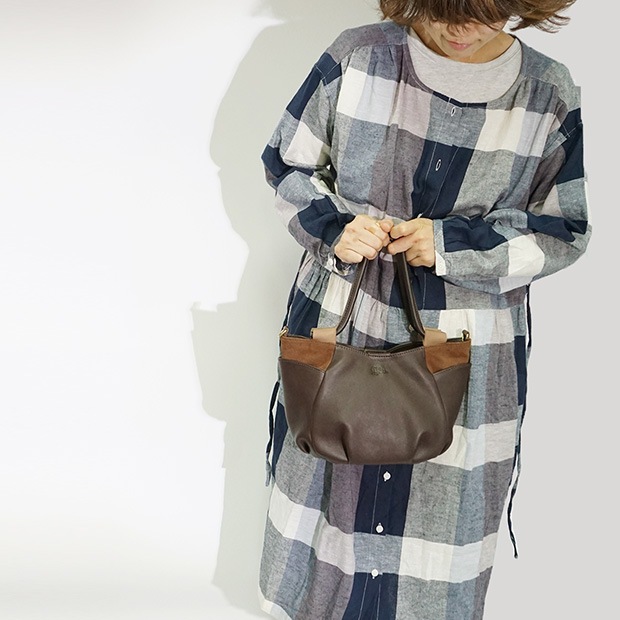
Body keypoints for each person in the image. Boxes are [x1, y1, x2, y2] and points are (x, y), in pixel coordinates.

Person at [258, 0, 591, 618]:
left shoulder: (548, 92)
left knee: (442, 511)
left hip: (466, 340)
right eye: (444, 9)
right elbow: (286, 161)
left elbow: (564, 229)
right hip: (345, 315)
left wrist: (452, 244)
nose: (461, 28)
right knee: (328, 485)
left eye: (486, 12)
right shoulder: (358, 56)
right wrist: (334, 226)